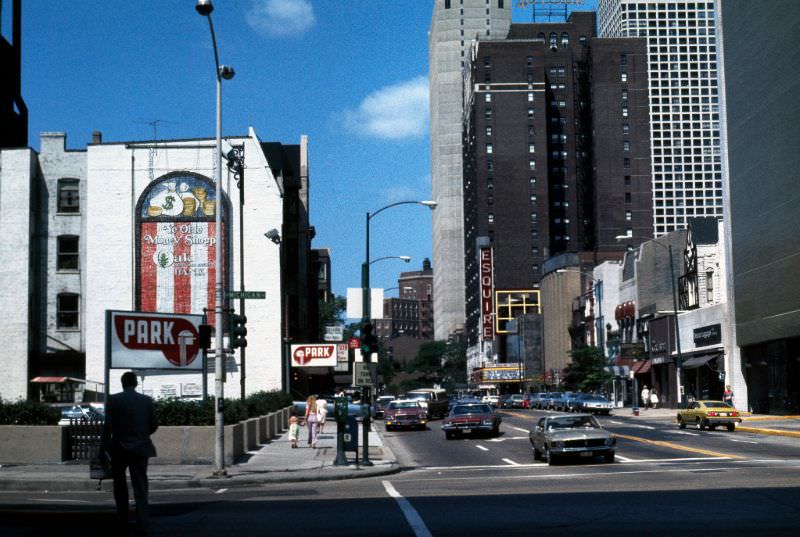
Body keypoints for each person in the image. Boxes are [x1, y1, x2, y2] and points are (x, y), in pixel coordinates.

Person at [100, 371, 158, 532]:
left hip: (119, 447)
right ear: (136, 383)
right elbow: (154, 425)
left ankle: (123, 517)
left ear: (122, 383)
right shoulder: (146, 401)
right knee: (140, 484)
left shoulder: (114, 400)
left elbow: (108, 427)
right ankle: (142, 519)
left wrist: (102, 448)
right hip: (140, 447)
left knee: (119, 485)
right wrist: (141, 434)